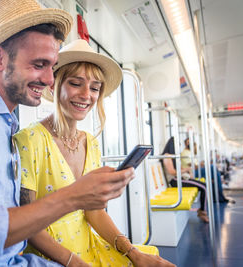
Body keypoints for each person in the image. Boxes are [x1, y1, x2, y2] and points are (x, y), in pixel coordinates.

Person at [0, 1, 136, 266]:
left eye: (52, 67)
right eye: (39, 64)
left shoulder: (4, 125)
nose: (50, 80)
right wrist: (74, 196)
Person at [15, 39, 175, 267]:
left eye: (94, 88)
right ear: (54, 85)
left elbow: (94, 212)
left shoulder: (90, 143)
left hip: (88, 245)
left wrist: (133, 253)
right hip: (50, 257)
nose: (86, 95)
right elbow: (28, 225)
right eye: (75, 83)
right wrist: (75, 263)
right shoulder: (29, 140)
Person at [161, 137, 209, 223]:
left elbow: (180, 167)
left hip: (179, 178)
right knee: (203, 187)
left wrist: (188, 170)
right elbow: (172, 172)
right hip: (174, 181)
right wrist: (187, 170)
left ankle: (202, 210)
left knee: (203, 185)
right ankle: (203, 212)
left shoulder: (173, 156)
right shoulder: (167, 156)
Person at [181, 138, 234, 203]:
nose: (190, 144)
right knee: (213, 169)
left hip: (196, 170)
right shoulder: (184, 153)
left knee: (215, 174)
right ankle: (220, 197)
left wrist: (202, 164)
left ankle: (218, 197)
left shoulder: (190, 152)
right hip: (191, 173)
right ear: (185, 144)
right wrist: (202, 165)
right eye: (188, 142)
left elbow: (196, 164)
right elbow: (193, 166)